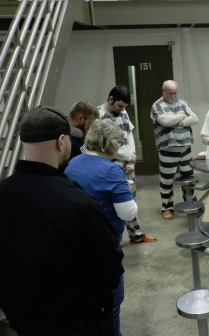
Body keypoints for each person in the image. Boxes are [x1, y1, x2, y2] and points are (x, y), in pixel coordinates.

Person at [0, 106, 124, 336]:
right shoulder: (79, 204)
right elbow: (111, 268)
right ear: (61, 142)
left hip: (24, 322)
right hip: (78, 323)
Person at [65, 119, 139, 336]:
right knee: (111, 304)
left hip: (78, 243)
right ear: (109, 143)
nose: (118, 148)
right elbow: (128, 212)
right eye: (117, 143)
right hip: (104, 245)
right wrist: (127, 190)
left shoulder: (74, 163)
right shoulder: (111, 171)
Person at [100, 85, 157, 243]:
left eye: (124, 107)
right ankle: (111, 240)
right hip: (111, 166)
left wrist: (132, 159)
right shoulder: (99, 116)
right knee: (114, 204)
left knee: (130, 201)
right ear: (111, 99)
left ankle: (136, 234)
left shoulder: (122, 112)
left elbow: (130, 133)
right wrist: (127, 155)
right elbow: (103, 145)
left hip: (127, 165)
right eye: (119, 106)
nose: (121, 110)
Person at [151, 80, 199, 220]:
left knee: (188, 179)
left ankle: (190, 204)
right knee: (167, 180)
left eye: (175, 93)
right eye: (170, 93)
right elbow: (165, 122)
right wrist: (183, 116)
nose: (173, 96)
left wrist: (177, 123)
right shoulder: (157, 106)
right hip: (167, 149)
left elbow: (195, 119)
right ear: (163, 91)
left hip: (185, 148)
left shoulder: (183, 103)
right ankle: (167, 207)